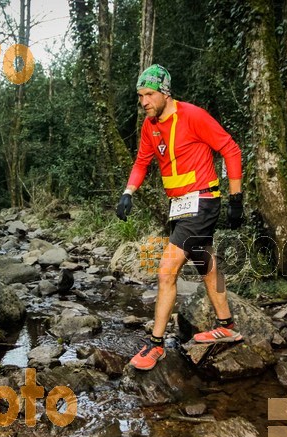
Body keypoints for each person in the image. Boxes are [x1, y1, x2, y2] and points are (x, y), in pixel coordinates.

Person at [116, 64, 244, 371]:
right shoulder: (150, 126)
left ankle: (156, 344)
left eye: (148, 95)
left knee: (166, 270)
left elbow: (231, 149)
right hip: (179, 205)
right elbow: (142, 162)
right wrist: (128, 192)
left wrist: (235, 197)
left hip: (202, 200)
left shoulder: (194, 116)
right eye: (140, 96)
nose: (143, 101)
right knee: (206, 264)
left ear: (164, 92)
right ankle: (226, 325)